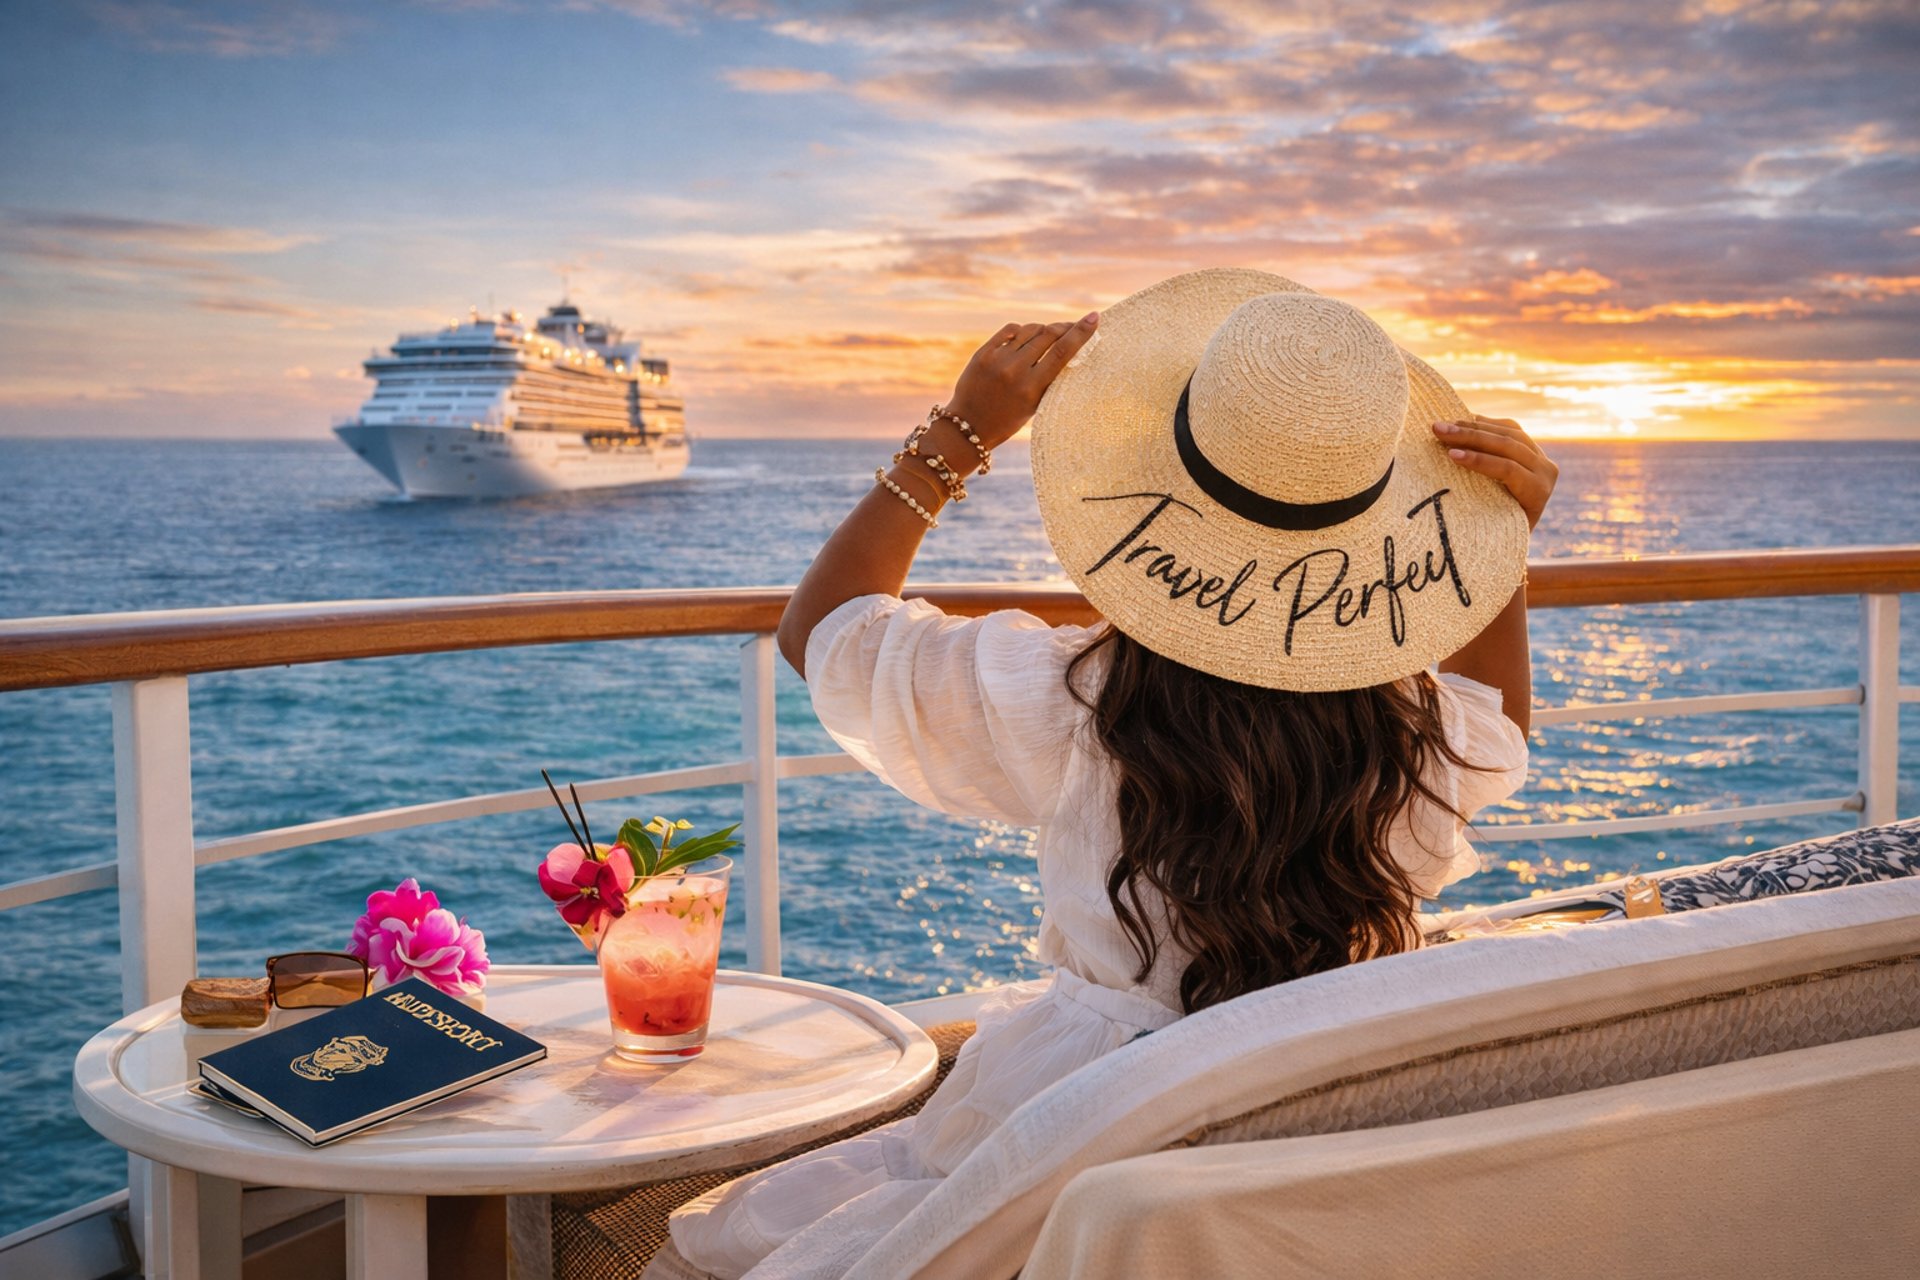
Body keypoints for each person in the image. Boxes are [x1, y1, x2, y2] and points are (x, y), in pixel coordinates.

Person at [663, 268, 1558, 1279]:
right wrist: (1497, 550)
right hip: (1310, 1121)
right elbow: (1498, 730)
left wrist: (961, 429)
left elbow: (824, 630)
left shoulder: (1071, 697)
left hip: (1086, 1123)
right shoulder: (1408, 735)